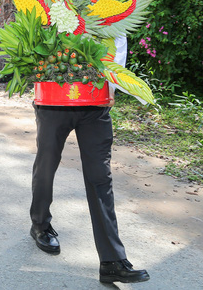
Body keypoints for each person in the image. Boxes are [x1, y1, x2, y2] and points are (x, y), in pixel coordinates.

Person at [29, 40, 149, 285]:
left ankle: (112, 261)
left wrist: (112, 89)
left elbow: (118, 47)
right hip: (54, 99)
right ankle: (40, 224)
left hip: (95, 102)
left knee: (100, 176)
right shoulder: (56, 2)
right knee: (47, 164)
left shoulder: (111, 9)